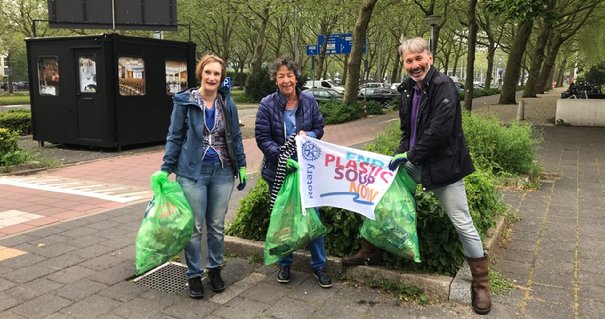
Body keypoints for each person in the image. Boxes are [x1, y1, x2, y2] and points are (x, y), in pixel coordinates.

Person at [342, 37, 491, 315]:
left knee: (462, 222)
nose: (414, 65)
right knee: (377, 198)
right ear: (404, 64)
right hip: (412, 163)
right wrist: (401, 153)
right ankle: (369, 250)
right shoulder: (408, 90)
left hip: (443, 167)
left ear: (430, 58)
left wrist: (409, 156)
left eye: (418, 59)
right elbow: (406, 132)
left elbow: (439, 131)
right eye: (409, 61)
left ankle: (481, 284)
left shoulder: (443, 86)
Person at [158, 54, 247, 299]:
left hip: (222, 171)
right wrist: (166, 168)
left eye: (217, 74)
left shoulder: (226, 102)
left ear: (221, 78)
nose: (212, 77)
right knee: (195, 227)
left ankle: (215, 268)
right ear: (201, 74)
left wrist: (241, 165)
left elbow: (235, 137)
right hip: (191, 172)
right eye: (208, 72)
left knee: (217, 226)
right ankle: (194, 275)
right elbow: (174, 136)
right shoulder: (184, 102)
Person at [255, 56, 332, 288]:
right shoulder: (266, 104)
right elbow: (262, 137)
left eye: (289, 75)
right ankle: (285, 263)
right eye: (281, 76)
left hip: (308, 172)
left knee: (313, 218)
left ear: (296, 77)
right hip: (280, 172)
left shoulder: (309, 102)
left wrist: (311, 134)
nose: (286, 80)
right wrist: (281, 156)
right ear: (275, 80)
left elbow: (319, 128)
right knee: (284, 220)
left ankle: (320, 266)